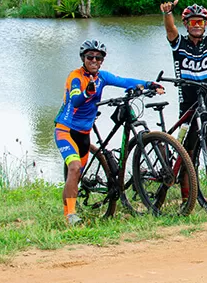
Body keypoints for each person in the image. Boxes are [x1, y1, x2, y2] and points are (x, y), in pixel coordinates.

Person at [54, 40, 164, 225]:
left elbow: (123, 81)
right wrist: (87, 93)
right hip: (66, 130)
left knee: (79, 172)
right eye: (90, 57)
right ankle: (70, 215)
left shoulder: (102, 77)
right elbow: (75, 101)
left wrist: (148, 84)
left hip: (84, 133)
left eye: (99, 57)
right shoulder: (75, 77)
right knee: (74, 168)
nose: (94, 60)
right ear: (83, 58)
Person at [159, 0, 207, 202]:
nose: (196, 25)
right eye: (192, 22)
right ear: (186, 24)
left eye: (201, 22)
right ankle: (187, 198)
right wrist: (168, 14)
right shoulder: (179, 43)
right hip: (188, 101)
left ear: (205, 25)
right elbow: (170, 30)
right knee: (188, 151)